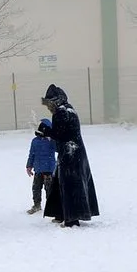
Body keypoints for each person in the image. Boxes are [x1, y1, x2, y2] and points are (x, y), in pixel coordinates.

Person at [38, 84, 99, 227]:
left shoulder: (61, 112)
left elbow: (60, 134)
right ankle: (60, 213)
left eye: (49, 103)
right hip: (76, 152)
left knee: (69, 185)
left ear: (55, 101)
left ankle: (71, 218)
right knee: (61, 183)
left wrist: (45, 129)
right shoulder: (70, 109)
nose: (48, 107)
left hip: (69, 154)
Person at [25, 119, 56, 215]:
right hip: (38, 169)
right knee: (36, 188)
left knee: (49, 189)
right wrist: (29, 166)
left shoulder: (51, 141)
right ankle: (37, 204)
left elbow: (58, 149)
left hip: (49, 170)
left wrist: (52, 139)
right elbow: (31, 154)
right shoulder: (35, 141)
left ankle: (51, 207)